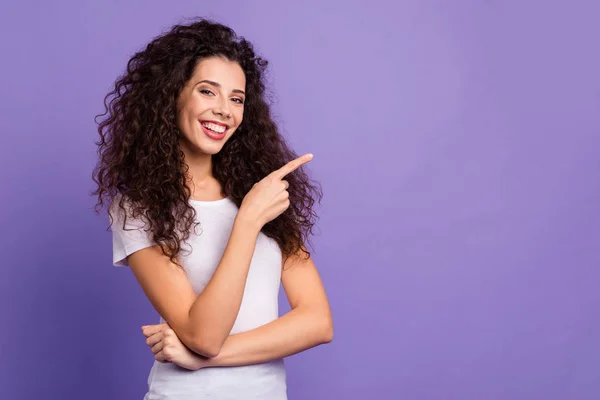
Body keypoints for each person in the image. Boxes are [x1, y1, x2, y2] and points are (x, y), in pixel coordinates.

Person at [91, 18, 333, 400]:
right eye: (208, 91)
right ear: (171, 95)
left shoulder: (263, 192)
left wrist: (204, 359)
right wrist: (248, 221)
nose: (224, 110)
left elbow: (317, 322)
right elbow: (203, 334)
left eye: (237, 99)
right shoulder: (138, 208)